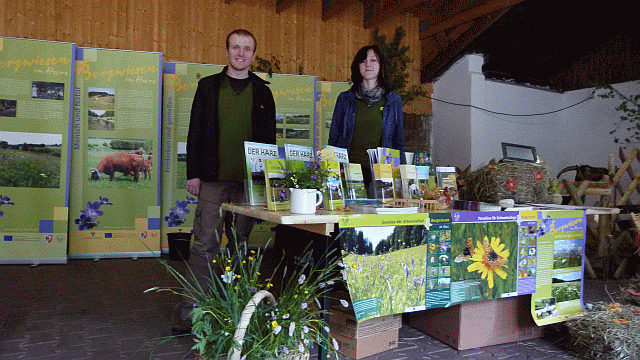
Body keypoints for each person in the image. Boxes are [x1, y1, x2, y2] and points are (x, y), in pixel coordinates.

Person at [174, 29, 276, 335]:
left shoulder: (263, 92)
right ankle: (192, 312)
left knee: (242, 247)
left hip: (247, 184)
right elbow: (195, 132)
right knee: (205, 245)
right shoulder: (207, 87)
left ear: (254, 55)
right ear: (227, 51)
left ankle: (238, 309)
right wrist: (193, 173)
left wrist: (268, 183)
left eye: (247, 49)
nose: (241, 53)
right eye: (236, 47)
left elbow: (269, 142)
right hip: (213, 180)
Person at [328, 45, 404, 198]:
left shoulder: (393, 100)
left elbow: (398, 141)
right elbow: (334, 138)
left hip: (381, 174)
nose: (368, 64)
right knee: (349, 219)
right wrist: (332, 171)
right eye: (363, 61)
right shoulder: (345, 99)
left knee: (377, 220)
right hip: (349, 172)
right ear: (358, 67)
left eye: (373, 60)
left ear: (381, 66)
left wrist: (400, 176)